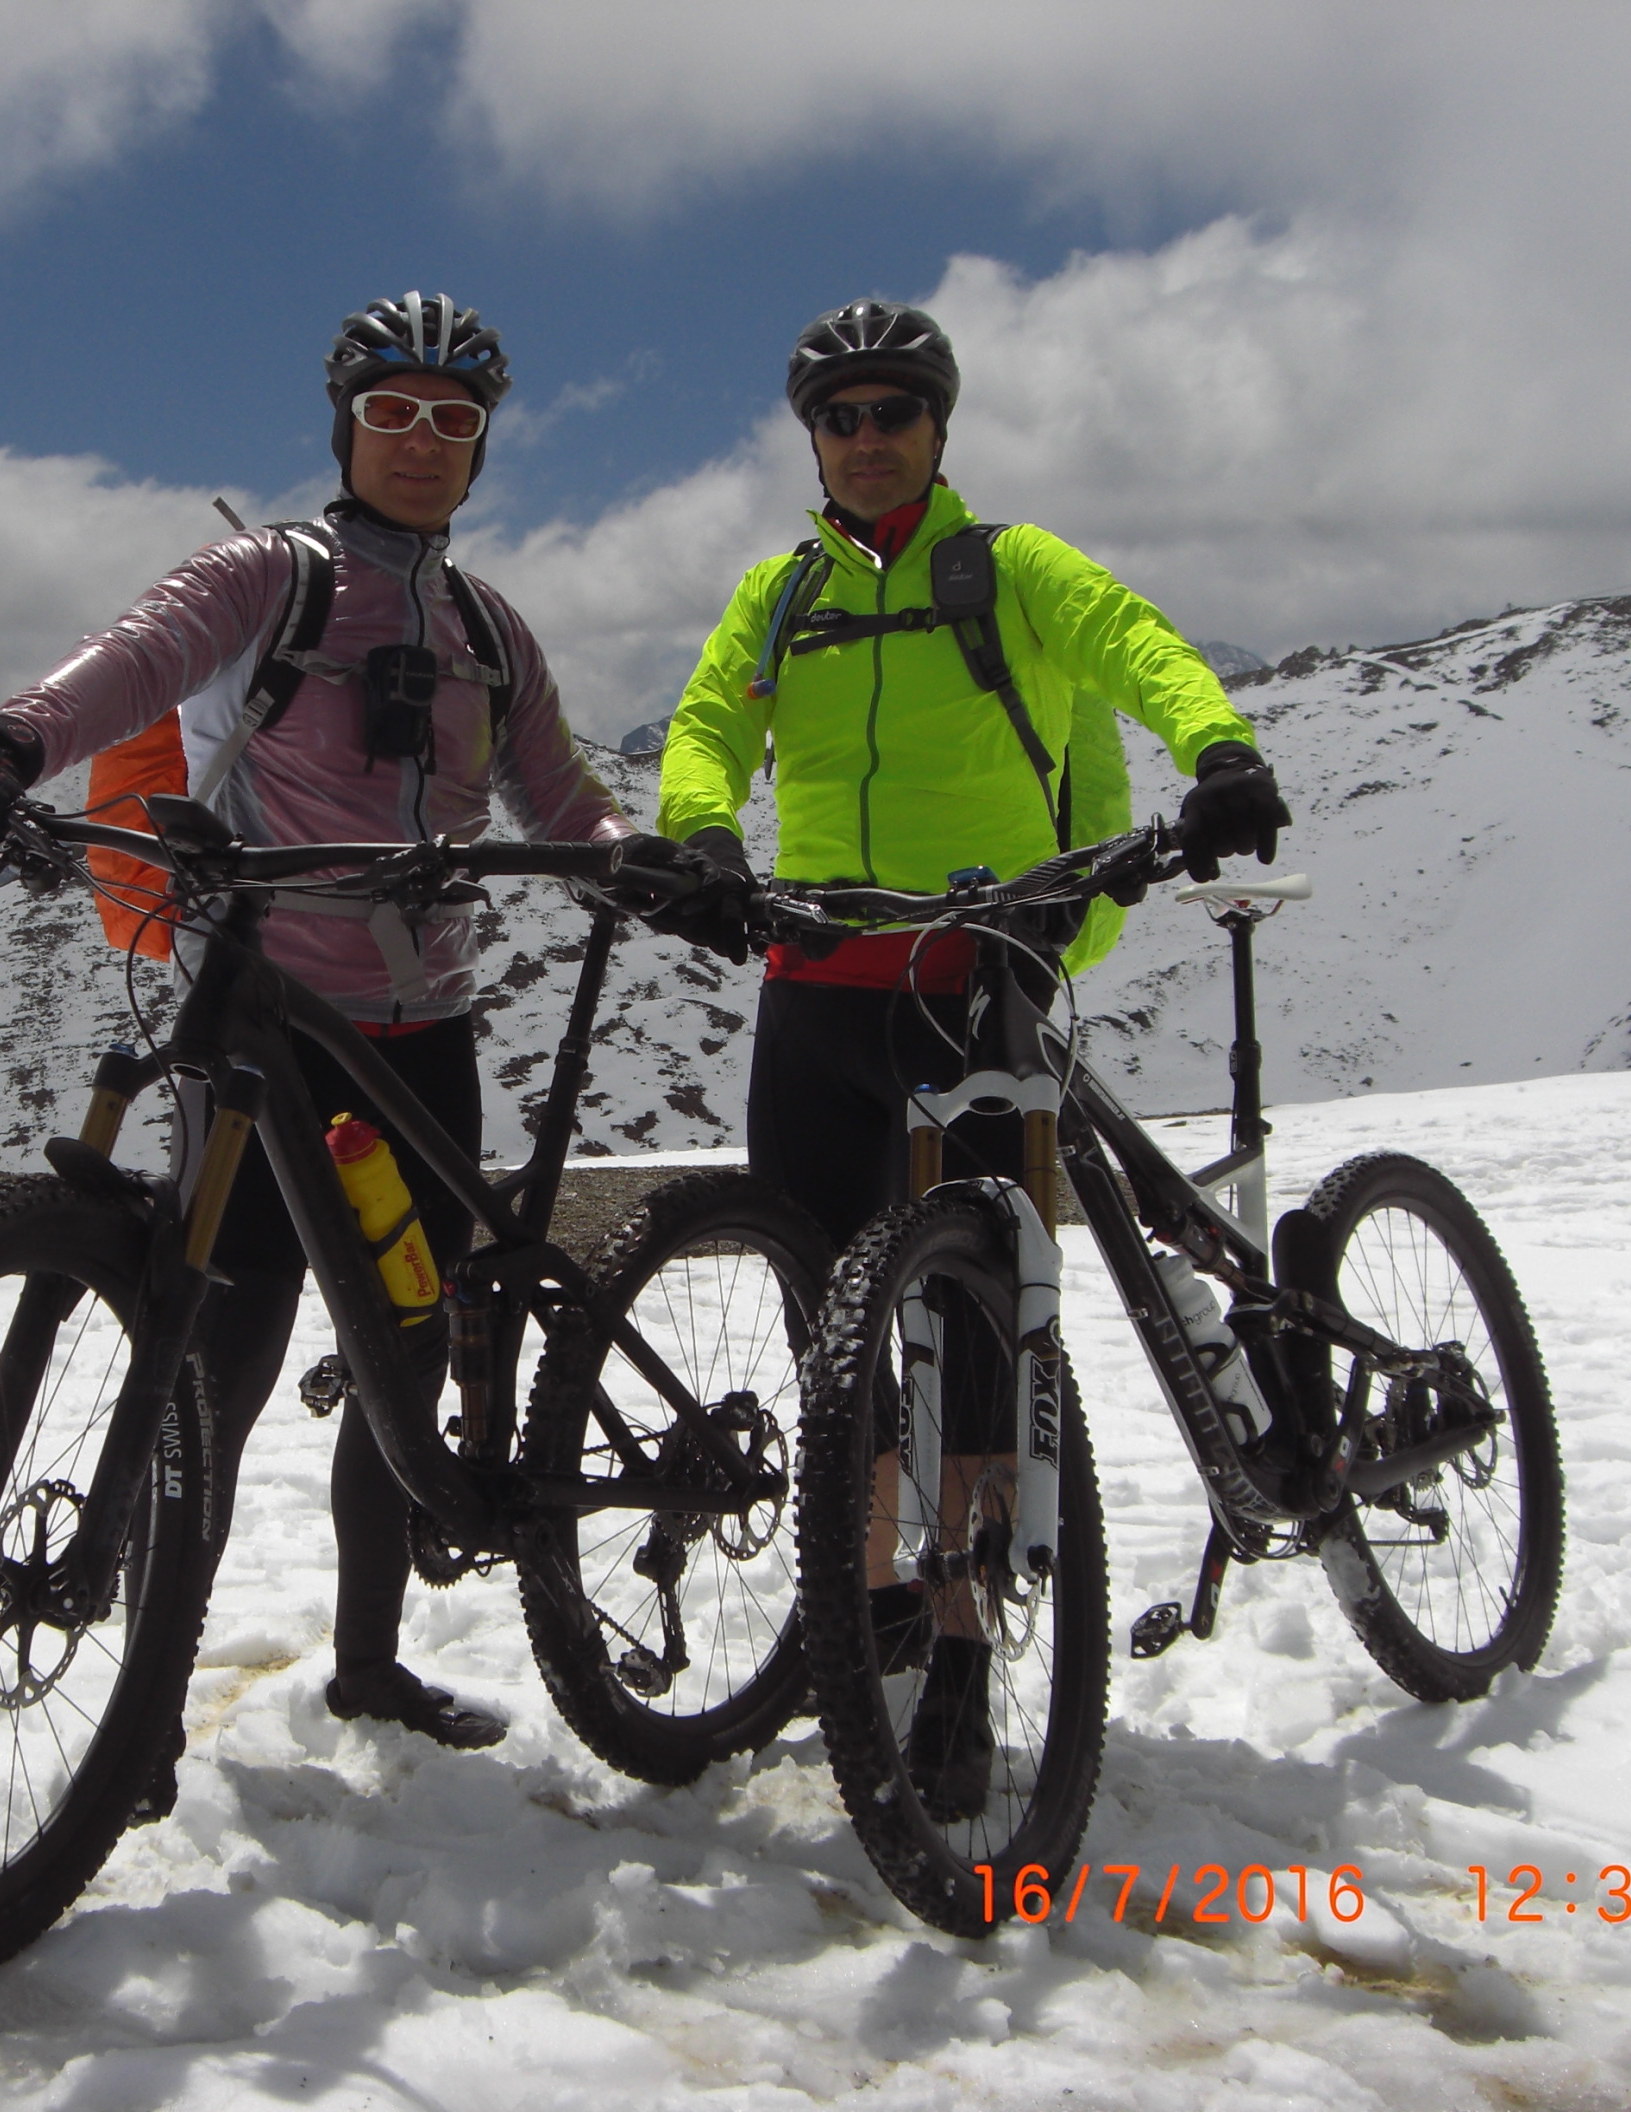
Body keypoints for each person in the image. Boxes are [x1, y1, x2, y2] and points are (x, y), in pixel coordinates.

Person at [0, 293, 665, 1766]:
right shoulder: (267, 578)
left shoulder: (487, 627)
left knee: (402, 1353)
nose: (422, 442)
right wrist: (7, 747)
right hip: (262, 1031)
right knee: (222, 1363)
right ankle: (145, 1720)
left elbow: (562, 796)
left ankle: (371, 1669)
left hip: (423, 1030)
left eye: (454, 421)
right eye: (394, 413)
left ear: (482, 447)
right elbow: (131, 658)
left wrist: (637, 858)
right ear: (346, 427)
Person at [651, 297, 1290, 1813]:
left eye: (895, 413)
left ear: (939, 430)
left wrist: (1218, 749)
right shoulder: (780, 596)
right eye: (842, 418)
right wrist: (700, 832)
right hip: (819, 980)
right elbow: (707, 727)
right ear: (814, 440)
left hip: (979, 974)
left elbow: (1138, 647)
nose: (868, 438)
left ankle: (958, 1631)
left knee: (983, 1325)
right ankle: (868, 1593)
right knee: (832, 1323)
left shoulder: (1011, 568)